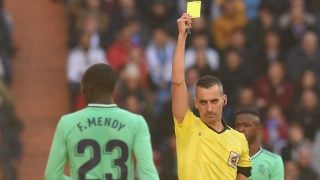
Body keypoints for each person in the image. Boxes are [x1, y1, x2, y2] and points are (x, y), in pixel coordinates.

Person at [172, 13, 251, 180]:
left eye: (214, 101)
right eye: (203, 102)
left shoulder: (239, 140)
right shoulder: (186, 126)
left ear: (224, 100)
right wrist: (181, 36)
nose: (209, 108)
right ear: (196, 104)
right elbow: (178, 82)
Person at [45, 64, 159, 180]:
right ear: (114, 89)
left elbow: (52, 176)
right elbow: (148, 174)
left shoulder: (66, 123)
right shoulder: (137, 122)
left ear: (83, 89)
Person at [234, 108, 284, 180]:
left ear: (259, 129)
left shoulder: (274, 161)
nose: (241, 129)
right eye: (238, 125)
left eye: (247, 125)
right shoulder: (227, 157)